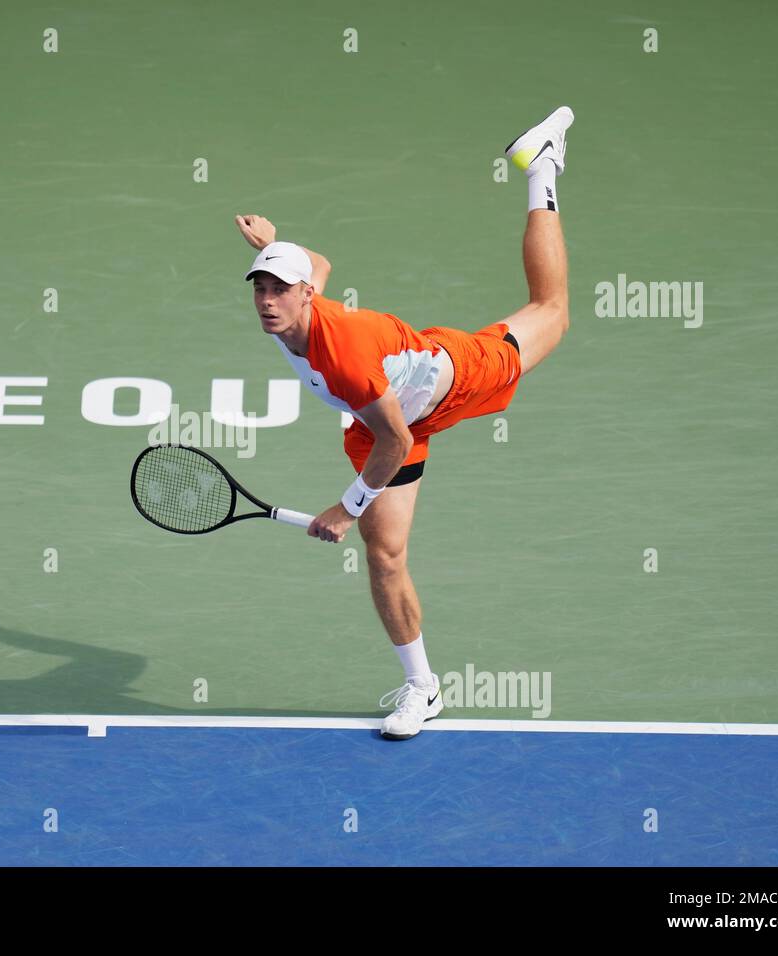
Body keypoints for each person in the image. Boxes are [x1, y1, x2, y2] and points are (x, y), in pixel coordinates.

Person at [235, 106, 574, 739]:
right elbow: (322, 262)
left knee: (550, 310)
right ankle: (423, 689)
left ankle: (543, 164)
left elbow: (392, 440)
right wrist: (274, 244)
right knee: (384, 554)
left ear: (304, 296)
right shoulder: (298, 302)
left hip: (451, 379)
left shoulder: (346, 360)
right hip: (387, 418)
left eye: (280, 288)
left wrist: (346, 506)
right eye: (260, 287)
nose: (267, 301)